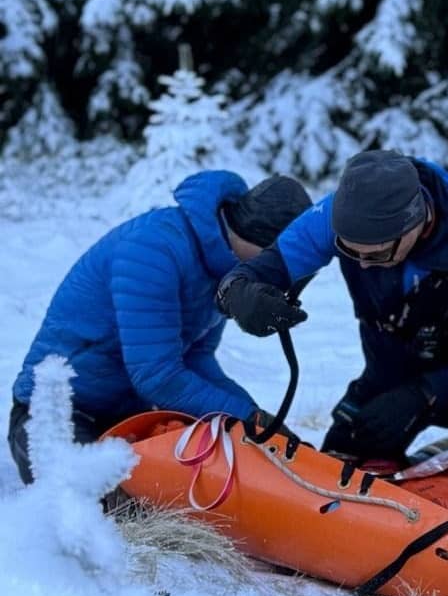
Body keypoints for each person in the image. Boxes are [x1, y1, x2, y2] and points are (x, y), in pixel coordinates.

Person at [217, 149, 448, 463]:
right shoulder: (338, 215)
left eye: (377, 256)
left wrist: (426, 392)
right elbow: (262, 269)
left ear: (414, 224)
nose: (363, 266)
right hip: (387, 369)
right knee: (337, 469)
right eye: (349, 252)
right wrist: (241, 295)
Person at [9, 171, 311, 484]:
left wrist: (256, 419)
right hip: (55, 417)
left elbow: (197, 359)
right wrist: (245, 420)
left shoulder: (225, 269)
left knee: (211, 491)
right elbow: (156, 376)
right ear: (265, 245)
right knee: (108, 508)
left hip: (129, 417)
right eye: (278, 263)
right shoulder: (153, 248)